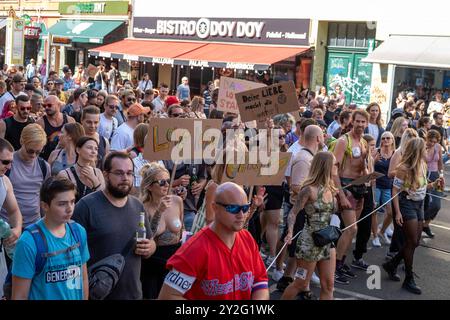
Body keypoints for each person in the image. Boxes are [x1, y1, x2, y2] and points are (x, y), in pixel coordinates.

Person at [158, 182, 269, 300]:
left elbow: (260, 281)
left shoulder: (247, 239)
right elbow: (168, 296)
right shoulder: (195, 249)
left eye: (245, 208)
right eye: (233, 208)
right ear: (215, 207)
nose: (241, 214)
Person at [73, 152, 156, 300]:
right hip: (98, 294)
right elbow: (72, 255)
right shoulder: (86, 206)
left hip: (133, 294)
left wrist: (150, 247)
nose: (125, 178)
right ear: (105, 175)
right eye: (119, 173)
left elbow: (151, 241)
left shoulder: (137, 205)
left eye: (129, 173)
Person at [11, 177, 89, 300]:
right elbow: (19, 295)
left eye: (72, 201)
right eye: (62, 204)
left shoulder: (79, 232)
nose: (69, 209)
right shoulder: (28, 242)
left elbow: (83, 278)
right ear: (45, 206)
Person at [382, 138, 437, 295]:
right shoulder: (404, 168)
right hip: (407, 205)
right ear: (418, 151)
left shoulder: (423, 164)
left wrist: (434, 184)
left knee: (415, 242)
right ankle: (409, 278)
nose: (427, 150)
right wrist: (397, 212)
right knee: (411, 240)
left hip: (419, 204)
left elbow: (422, 186)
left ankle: (392, 264)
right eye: (424, 148)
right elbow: (394, 190)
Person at [281, 151, 337, 300]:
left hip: (327, 240)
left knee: (329, 285)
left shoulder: (331, 188)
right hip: (309, 243)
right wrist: (290, 232)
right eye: (335, 164)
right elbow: (293, 213)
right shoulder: (309, 190)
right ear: (326, 167)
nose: (337, 167)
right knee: (300, 283)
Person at [332, 110, 370, 284]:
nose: (361, 125)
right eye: (358, 121)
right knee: (351, 228)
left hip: (360, 187)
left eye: (363, 122)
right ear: (352, 122)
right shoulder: (343, 141)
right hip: (346, 187)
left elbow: (363, 168)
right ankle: (334, 267)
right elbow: (334, 170)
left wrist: (368, 174)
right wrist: (341, 194)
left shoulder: (364, 142)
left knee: (351, 230)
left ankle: (342, 261)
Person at [139, 163, 183, 299]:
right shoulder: (143, 207)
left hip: (175, 262)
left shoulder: (177, 201)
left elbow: (182, 233)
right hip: (153, 264)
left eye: (168, 181)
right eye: (161, 182)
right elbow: (147, 238)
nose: (166, 185)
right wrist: (159, 212)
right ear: (150, 186)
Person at [0, 124, 50, 228]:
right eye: (30, 151)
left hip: (34, 225)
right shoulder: (7, 163)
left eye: (38, 152)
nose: (33, 156)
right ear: (22, 141)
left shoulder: (44, 166)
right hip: (8, 226)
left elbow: (44, 197)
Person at [386, 128, 419, 260]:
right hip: (397, 191)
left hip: (409, 193)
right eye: (409, 141)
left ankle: (401, 254)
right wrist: (403, 172)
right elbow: (390, 173)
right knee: (399, 226)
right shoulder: (399, 153)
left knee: (406, 228)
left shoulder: (413, 155)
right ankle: (393, 252)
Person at [57, 136, 104, 203]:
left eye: (96, 149)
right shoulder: (65, 174)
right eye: (89, 148)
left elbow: (104, 200)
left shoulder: (98, 172)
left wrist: (94, 180)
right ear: (78, 150)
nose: (93, 151)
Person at [372, 131, 396, 247]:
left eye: (388, 138)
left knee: (391, 212)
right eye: (383, 138)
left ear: (392, 141)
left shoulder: (395, 154)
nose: (386, 140)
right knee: (374, 212)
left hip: (388, 187)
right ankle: (375, 236)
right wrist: (374, 161)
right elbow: (368, 168)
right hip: (376, 186)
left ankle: (382, 231)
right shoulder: (376, 151)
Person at [37, 95, 75, 161]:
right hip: (46, 159)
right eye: (44, 106)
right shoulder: (40, 123)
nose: (46, 107)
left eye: (49, 105)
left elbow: (75, 140)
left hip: (66, 160)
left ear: (58, 105)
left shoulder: (70, 120)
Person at [423, 129, 444, 238]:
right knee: (424, 202)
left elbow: (440, 162)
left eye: (434, 141)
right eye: (430, 140)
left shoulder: (438, 147)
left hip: (436, 175)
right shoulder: (422, 146)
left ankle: (424, 224)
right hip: (424, 175)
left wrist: (441, 176)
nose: (432, 143)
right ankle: (420, 224)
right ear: (426, 138)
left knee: (437, 204)